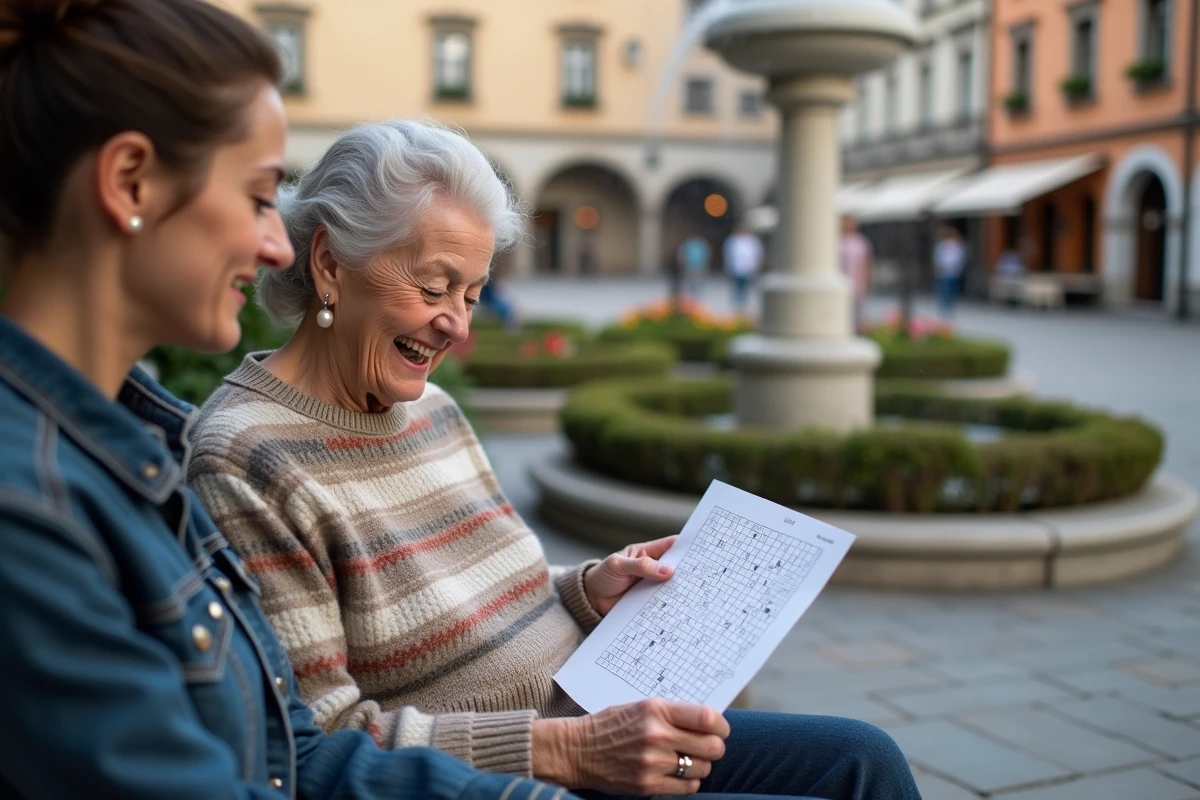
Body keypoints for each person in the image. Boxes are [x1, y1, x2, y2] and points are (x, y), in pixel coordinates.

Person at [186, 120, 923, 800]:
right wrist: (562, 750)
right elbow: (316, 741)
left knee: (864, 758)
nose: (457, 324)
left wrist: (585, 588)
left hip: (591, 715)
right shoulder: (246, 455)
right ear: (330, 263)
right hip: (522, 774)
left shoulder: (430, 408)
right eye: (434, 286)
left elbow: (480, 591)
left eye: (473, 294)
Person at [0, 4, 574, 799]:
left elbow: (278, 744)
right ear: (128, 180)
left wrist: (582, 591)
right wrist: (557, 767)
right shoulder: (50, 496)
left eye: (470, 292)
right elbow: (297, 754)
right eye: (261, 194)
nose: (278, 245)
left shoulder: (125, 447)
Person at [838, 216, 873, 332]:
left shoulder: (860, 242)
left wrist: (865, 283)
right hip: (841, 285)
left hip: (857, 285)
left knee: (857, 316)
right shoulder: (837, 241)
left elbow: (865, 264)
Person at [722, 224, 764, 315]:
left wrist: (756, 266)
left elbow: (757, 254)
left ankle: (743, 306)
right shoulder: (732, 241)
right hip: (736, 269)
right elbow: (728, 255)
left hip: (748, 269)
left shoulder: (752, 241)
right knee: (737, 288)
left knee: (745, 289)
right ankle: (737, 307)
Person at [933, 226, 967, 319]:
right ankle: (944, 308)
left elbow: (960, 258)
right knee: (944, 289)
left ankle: (950, 308)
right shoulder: (942, 246)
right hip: (944, 271)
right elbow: (938, 258)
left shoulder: (958, 246)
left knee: (951, 290)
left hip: (954, 271)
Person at [677, 233, 711, 301]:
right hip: (689, 266)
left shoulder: (702, 245)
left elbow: (707, 255)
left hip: (699, 266)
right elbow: (682, 254)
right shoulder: (688, 244)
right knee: (689, 280)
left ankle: (696, 294)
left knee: (698, 280)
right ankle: (690, 294)